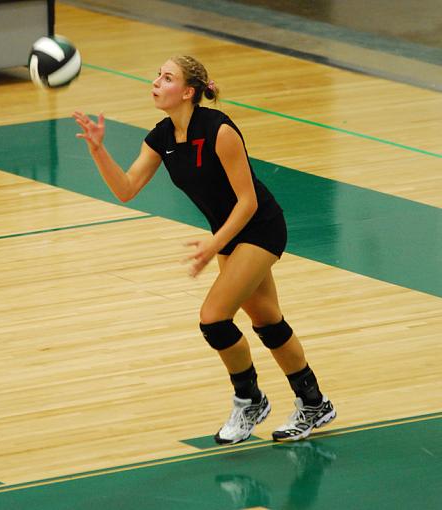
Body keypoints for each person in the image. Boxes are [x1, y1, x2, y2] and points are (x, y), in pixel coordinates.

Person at [73, 55, 336, 444]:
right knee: (267, 321)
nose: (156, 82)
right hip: (226, 233)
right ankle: (314, 403)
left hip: (259, 226)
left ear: (189, 92)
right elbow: (126, 189)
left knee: (214, 319)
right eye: (157, 75)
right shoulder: (162, 136)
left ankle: (250, 400)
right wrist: (98, 149)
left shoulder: (220, 130)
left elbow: (246, 201)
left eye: (167, 77)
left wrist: (213, 245)